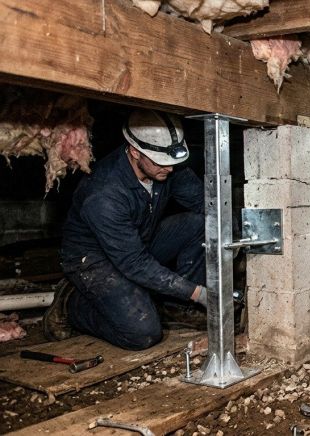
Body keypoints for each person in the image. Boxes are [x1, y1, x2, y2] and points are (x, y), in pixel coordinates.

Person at [44, 109, 208, 350]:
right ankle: (71, 303)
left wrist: (230, 237)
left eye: (173, 162)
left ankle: (178, 306)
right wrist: (198, 293)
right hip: (94, 259)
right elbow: (134, 263)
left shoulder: (167, 167)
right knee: (143, 333)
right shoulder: (104, 193)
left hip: (139, 241)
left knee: (203, 224)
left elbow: (207, 204)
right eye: (161, 163)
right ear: (134, 151)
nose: (170, 169)